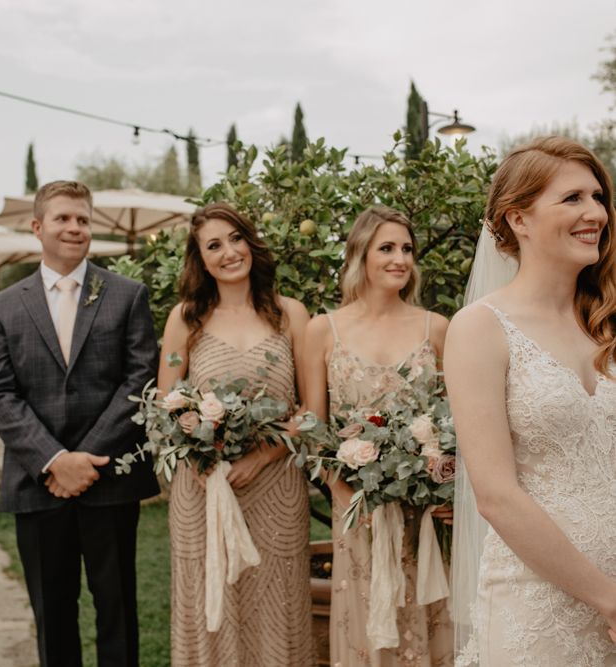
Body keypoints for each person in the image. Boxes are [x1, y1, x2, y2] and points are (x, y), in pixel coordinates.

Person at [444, 136, 616, 666]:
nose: (596, 213)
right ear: (518, 219)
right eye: (573, 198)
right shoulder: (479, 328)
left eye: (597, 196)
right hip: (536, 604)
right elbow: (496, 495)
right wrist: (608, 599)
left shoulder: (607, 323)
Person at [0, 180, 159, 667]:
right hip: (38, 483)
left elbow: (140, 379)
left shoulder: (127, 295)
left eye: (82, 219)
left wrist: (84, 461)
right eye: (62, 218)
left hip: (109, 481)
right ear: (38, 227)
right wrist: (55, 460)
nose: (74, 227)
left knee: (117, 610)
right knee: (53, 614)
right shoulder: (3, 306)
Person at [159, 202, 315, 666]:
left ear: (251, 243)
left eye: (235, 238)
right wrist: (202, 459)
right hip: (204, 489)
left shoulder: (290, 315)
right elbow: (168, 403)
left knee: (278, 603)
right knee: (211, 604)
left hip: (276, 487)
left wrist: (262, 457)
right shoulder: (186, 319)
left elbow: (311, 413)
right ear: (201, 260)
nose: (229, 252)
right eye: (214, 245)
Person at [304, 206, 453, 666]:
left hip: (426, 514)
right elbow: (314, 430)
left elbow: (457, 421)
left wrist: (446, 486)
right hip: (357, 511)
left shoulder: (437, 328)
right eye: (386, 248)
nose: (400, 259)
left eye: (407, 249)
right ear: (360, 256)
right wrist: (344, 495)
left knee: (428, 622)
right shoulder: (322, 330)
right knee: (366, 629)